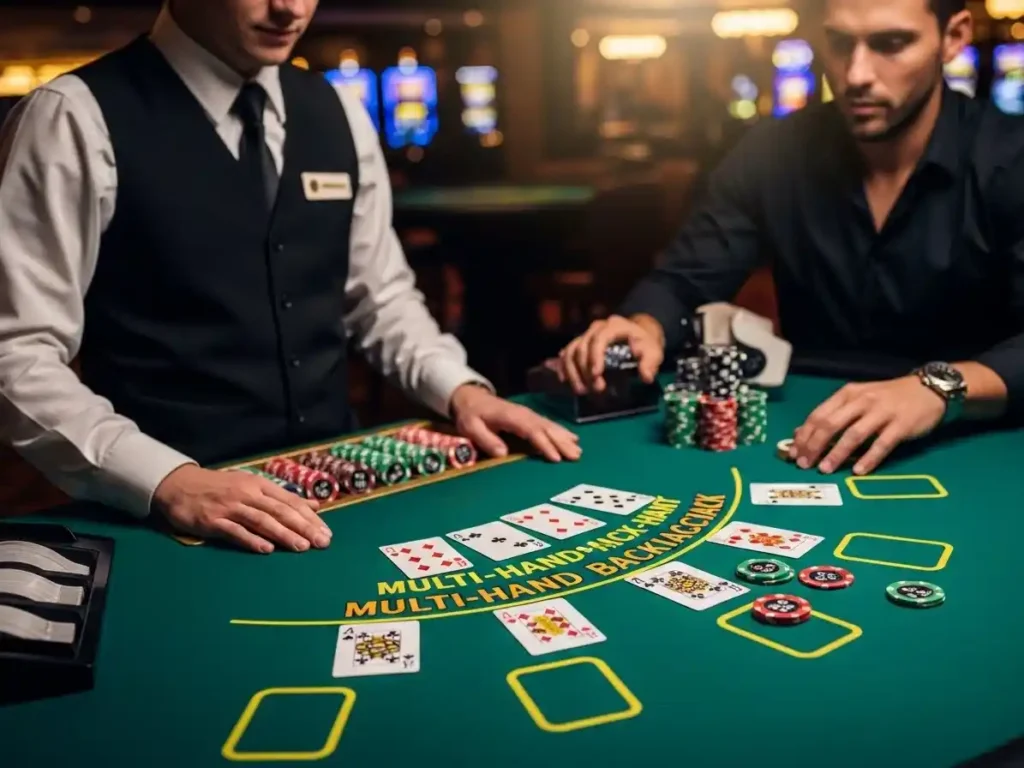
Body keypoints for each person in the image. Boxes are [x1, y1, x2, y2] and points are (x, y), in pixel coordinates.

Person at [0, 0, 581, 555]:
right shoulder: (73, 116)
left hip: (338, 492)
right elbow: (17, 353)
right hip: (170, 517)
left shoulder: (339, 112)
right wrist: (168, 479)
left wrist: (460, 389)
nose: (290, 10)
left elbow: (380, 297)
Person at [560, 0, 1024, 476]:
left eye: (891, 43)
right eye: (840, 43)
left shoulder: (1010, 158)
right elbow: (685, 277)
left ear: (954, 37)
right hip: (807, 435)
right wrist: (644, 326)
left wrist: (937, 387)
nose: (857, 73)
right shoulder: (772, 152)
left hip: (974, 441)